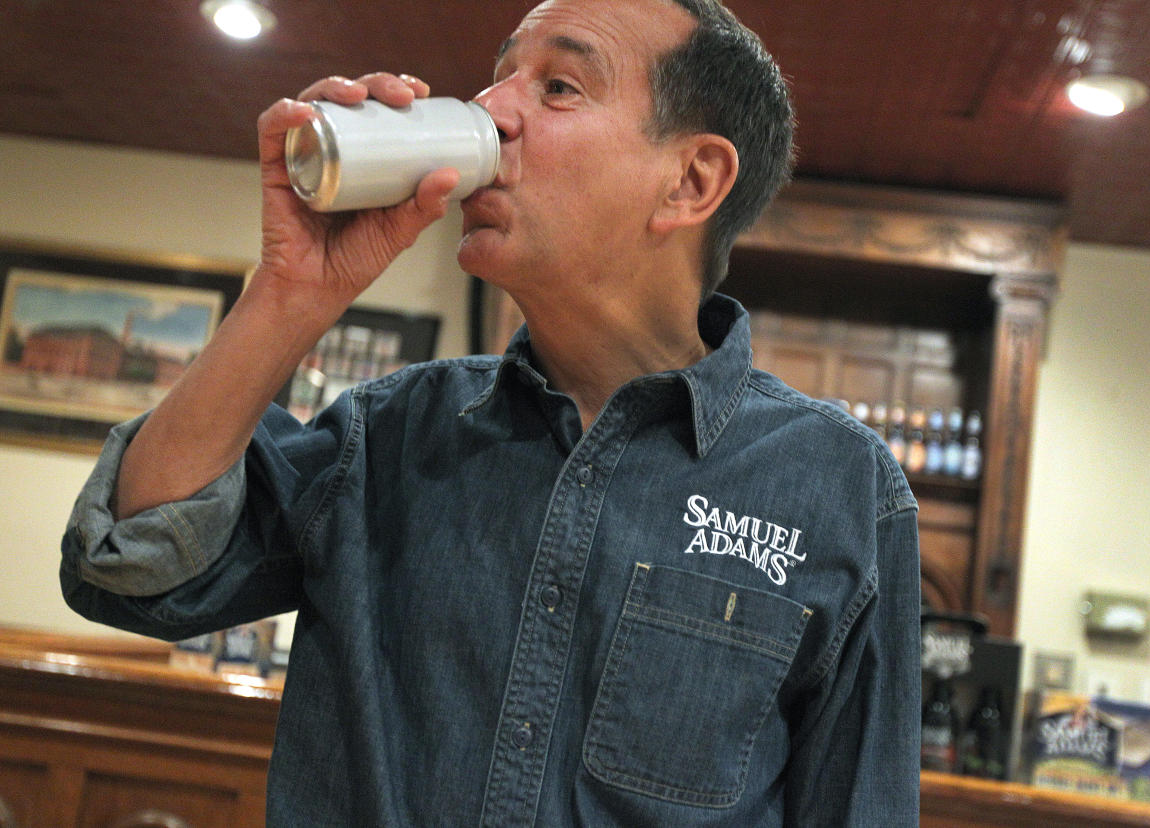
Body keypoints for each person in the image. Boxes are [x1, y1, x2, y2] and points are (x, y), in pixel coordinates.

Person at [61, 0, 921, 824]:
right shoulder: (388, 433)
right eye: (497, 78)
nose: (491, 109)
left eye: (558, 87)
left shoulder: (841, 489)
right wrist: (289, 293)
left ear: (690, 181)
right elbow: (133, 569)